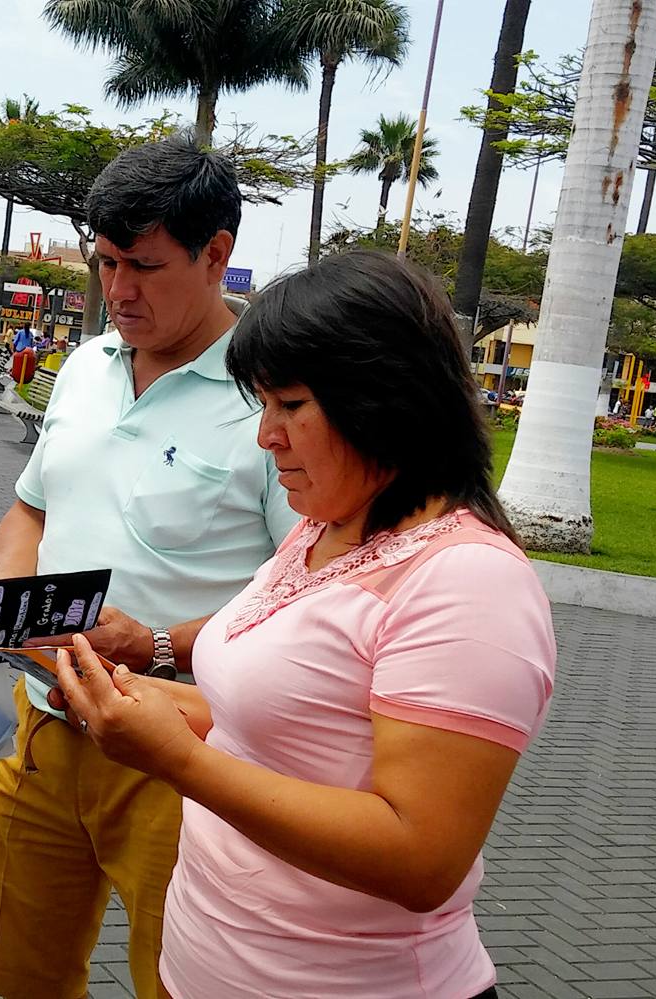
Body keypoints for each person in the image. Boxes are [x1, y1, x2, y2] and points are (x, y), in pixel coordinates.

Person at [50, 250, 556, 999]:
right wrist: (135, 699)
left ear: (385, 401)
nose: (267, 437)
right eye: (263, 405)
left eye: (291, 406)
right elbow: (280, 720)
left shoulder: (468, 581)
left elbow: (421, 857)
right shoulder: (322, 531)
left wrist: (178, 763)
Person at [0, 136, 298, 999]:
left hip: (183, 749)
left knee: (179, 981)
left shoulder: (269, 401)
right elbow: (30, 507)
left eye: (145, 266)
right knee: (22, 973)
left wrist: (153, 643)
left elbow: (307, 596)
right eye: (106, 262)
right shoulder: (85, 366)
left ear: (217, 254)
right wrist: (8, 594)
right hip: (45, 721)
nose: (118, 290)